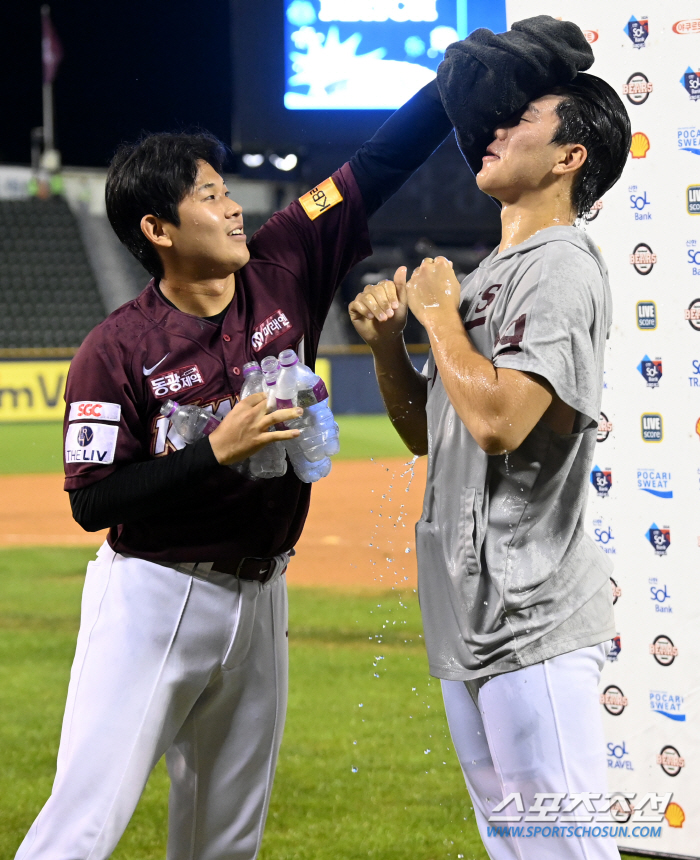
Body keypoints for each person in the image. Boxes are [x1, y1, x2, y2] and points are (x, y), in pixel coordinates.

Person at [14, 18, 596, 860]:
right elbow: (92, 501)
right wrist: (215, 450)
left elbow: (375, 166)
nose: (231, 205)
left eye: (226, 188)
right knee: (83, 826)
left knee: (226, 839)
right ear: (158, 230)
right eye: (208, 196)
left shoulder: (284, 255)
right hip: (153, 594)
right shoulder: (116, 349)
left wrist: (450, 85)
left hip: (263, 593)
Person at [349, 67, 631, 860]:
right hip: (472, 614)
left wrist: (437, 317)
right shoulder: (489, 276)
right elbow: (433, 432)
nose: (495, 130)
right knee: (515, 846)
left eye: (523, 120)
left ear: (570, 157)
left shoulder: (561, 265)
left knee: (565, 847)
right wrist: (387, 347)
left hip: (532, 615)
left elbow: (502, 421)